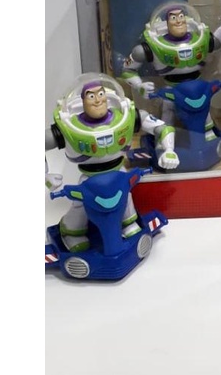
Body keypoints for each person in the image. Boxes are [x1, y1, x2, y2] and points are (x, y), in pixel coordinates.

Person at [45, 73, 179, 252]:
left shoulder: (127, 116)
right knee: (82, 204)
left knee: (126, 196)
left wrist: (169, 150)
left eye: (101, 94)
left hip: (119, 172)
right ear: (82, 101)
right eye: (91, 96)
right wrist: (45, 175)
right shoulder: (68, 127)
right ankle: (71, 231)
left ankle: (128, 223)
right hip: (89, 179)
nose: (97, 100)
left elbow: (162, 128)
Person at [121, 0, 221, 125]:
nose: (178, 21)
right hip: (172, 88)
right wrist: (139, 86)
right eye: (173, 18)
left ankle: (209, 132)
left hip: (198, 86)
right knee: (168, 108)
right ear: (166, 23)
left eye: (181, 16)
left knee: (204, 110)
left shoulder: (201, 40)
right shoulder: (150, 48)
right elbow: (127, 70)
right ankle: (166, 134)